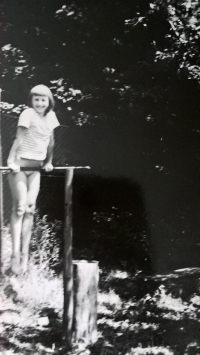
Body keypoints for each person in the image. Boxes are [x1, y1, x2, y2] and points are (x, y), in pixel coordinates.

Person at [7, 84, 60, 275]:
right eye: (36, 99)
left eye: (43, 100)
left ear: (49, 102)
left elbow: (51, 141)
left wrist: (49, 161)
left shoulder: (51, 116)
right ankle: (14, 253)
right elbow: (19, 138)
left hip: (36, 168)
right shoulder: (27, 113)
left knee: (30, 209)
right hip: (20, 166)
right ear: (32, 101)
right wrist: (10, 160)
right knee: (20, 207)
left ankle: (25, 256)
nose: (39, 103)